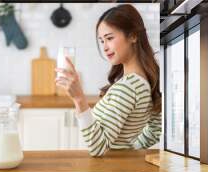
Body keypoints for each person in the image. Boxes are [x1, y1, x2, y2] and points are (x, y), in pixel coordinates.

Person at [55, 4, 162, 157]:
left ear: (133, 36)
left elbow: (97, 148)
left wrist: (79, 99)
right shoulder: (143, 81)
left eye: (109, 38)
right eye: (102, 41)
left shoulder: (128, 87)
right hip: (119, 171)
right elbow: (155, 130)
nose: (105, 47)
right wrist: (129, 151)